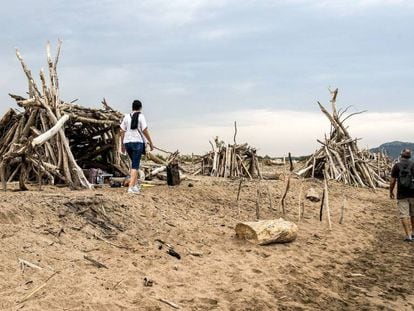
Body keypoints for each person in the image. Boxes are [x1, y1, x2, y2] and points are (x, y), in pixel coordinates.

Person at [120, 99, 154, 194]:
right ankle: (130, 187)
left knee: (134, 164)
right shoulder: (141, 116)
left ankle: (134, 186)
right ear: (140, 108)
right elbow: (144, 130)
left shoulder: (126, 117)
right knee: (135, 165)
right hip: (137, 143)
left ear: (132, 107)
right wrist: (150, 142)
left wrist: (122, 145)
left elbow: (121, 131)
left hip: (127, 143)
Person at [390, 148, 414, 242]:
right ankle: (413, 233)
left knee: (404, 215)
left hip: (402, 194)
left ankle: (408, 236)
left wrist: (391, 191)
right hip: (413, 193)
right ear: (410, 156)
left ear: (401, 155)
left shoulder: (396, 166)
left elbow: (392, 181)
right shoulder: (413, 165)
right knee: (413, 214)